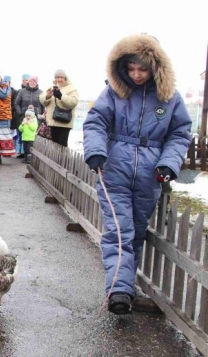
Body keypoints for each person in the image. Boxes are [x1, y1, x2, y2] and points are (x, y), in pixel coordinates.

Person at [83, 34, 192, 315]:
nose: (136, 75)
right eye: (131, 68)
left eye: (142, 69)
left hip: (150, 174)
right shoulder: (113, 93)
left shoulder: (170, 98)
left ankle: (125, 288)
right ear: (122, 66)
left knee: (136, 234)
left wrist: (169, 163)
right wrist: (96, 151)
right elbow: (95, 121)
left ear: (156, 67)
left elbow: (180, 133)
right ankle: (118, 290)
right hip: (114, 170)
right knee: (120, 231)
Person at [39, 69, 79, 147]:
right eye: (57, 77)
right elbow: (42, 101)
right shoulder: (51, 88)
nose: (59, 79)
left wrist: (61, 96)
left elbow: (74, 102)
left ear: (65, 78)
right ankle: (54, 160)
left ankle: (62, 159)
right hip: (52, 122)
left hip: (64, 123)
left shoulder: (71, 88)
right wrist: (47, 96)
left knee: (62, 146)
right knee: (53, 146)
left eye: (61, 77)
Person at [14, 75, 44, 158]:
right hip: (24, 117)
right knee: (24, 136)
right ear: (28, 82)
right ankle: (25, 154)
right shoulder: (22, 92)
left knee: (33, 137)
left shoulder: (41, 92)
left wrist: (42, 116)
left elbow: (43, 106)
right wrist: (20, 113)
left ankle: (32, 155)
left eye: (34, 81)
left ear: (37, 83)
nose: (32, 82)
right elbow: (16, 104)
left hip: (36, 119)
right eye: (31, 81)